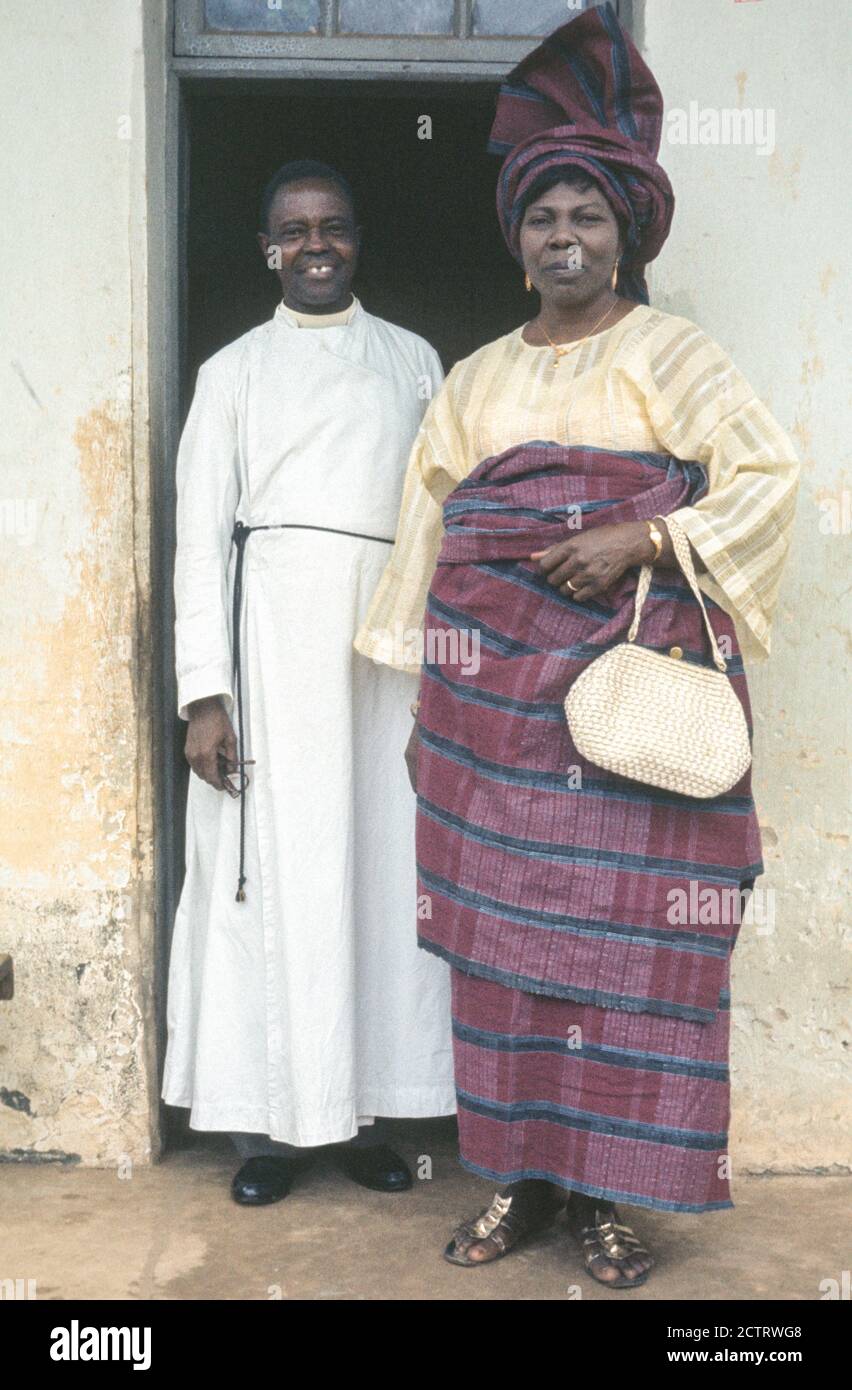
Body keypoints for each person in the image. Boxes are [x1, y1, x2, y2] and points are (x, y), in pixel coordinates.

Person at [354, 5, 799, 1287]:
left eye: (587, 218)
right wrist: (435, 698)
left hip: (624, 715)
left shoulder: (675, 352)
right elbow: (427, 527)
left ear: (625, 236)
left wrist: (643, 541)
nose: (564, 237)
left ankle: (613, 1202)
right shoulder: (476, 379)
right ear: (519, 238)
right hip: (495, 715)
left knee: (629, 957)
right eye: (544, 218)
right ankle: (520, 1185)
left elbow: (768, 475)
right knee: (502, 959)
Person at [162, 160, 455, 1206]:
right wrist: (206, 694)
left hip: (384, 651)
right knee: (276, 877)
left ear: (358, 238)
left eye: (334, 225)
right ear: (268, 248)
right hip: (268, 650)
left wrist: (441, 679)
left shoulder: (415, 360)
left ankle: (367, 1111)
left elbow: (442, 525)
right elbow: (199, 538)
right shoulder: (231, 371)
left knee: (374, 873)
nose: (316, 243)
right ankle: (274, 1133)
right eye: (296, 229)